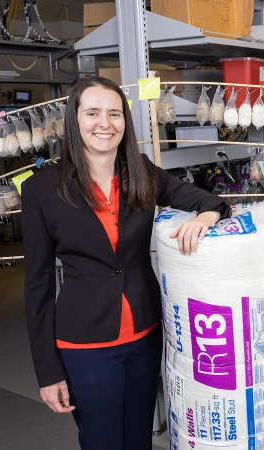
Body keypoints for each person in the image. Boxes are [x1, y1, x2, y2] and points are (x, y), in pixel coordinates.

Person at [22, 76, 229, 450]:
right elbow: (36, 286)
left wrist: (204, 218)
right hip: (84, 342)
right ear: (75, 119)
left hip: (144, 334)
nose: (105, 123)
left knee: (138, 439)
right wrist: (48, 372)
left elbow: (212, 202)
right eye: (93, 113)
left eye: (114, 113)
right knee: (101, 440)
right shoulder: (41, 188)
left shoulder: (142, 172)